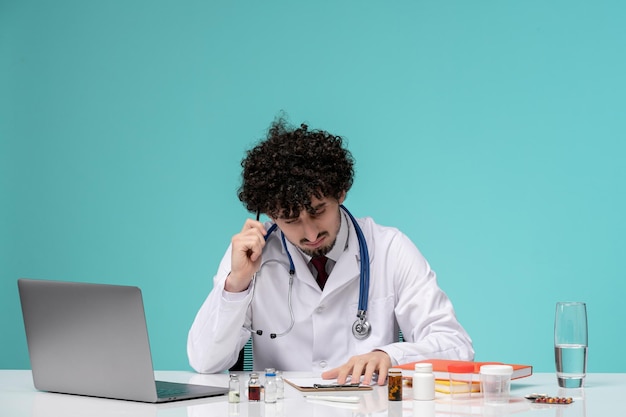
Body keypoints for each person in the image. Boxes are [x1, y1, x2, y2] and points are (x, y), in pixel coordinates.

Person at [187, 118, 473, 385]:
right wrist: (236, 285)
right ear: (271, 215)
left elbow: (456, 345)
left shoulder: (389, 249)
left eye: (318, 211)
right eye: (291, 220)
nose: (310, 233)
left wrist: (390, 356)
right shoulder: (249, 256)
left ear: (341, 192)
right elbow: (205, 361)